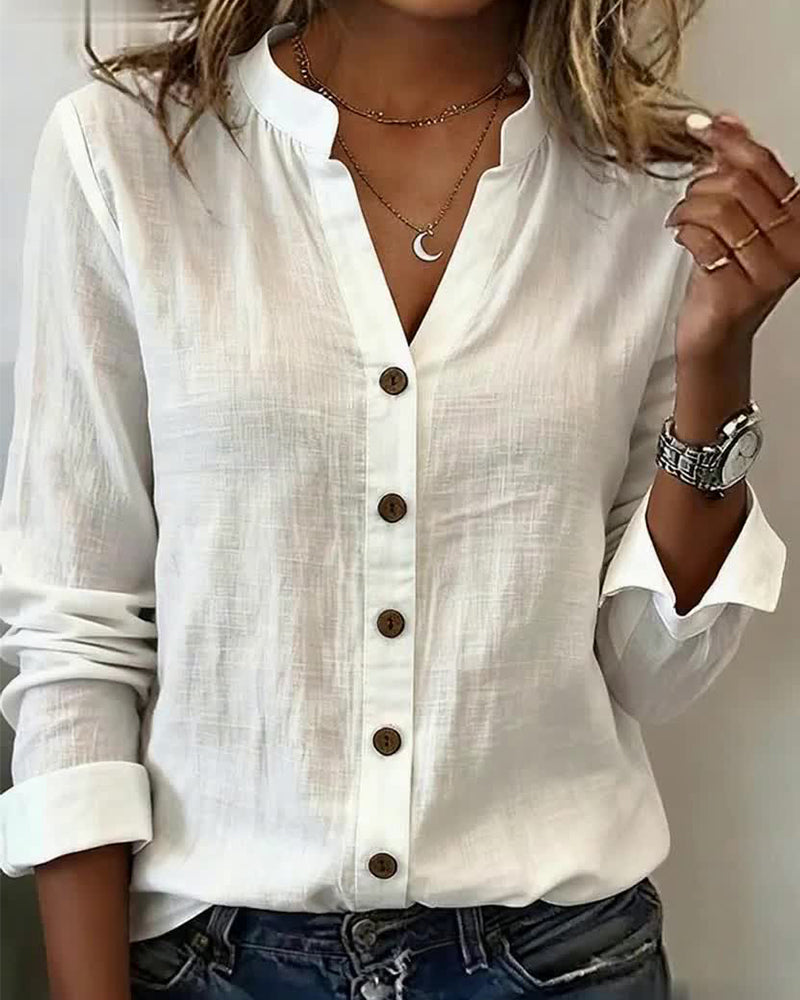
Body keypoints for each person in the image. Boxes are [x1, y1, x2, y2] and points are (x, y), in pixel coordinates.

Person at [0, 0, 796, 997]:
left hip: (560, 958)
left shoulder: (659, 191)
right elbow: (76, 637)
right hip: (213, 960)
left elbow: (651, 671)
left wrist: (718, 359)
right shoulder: (128, 152)